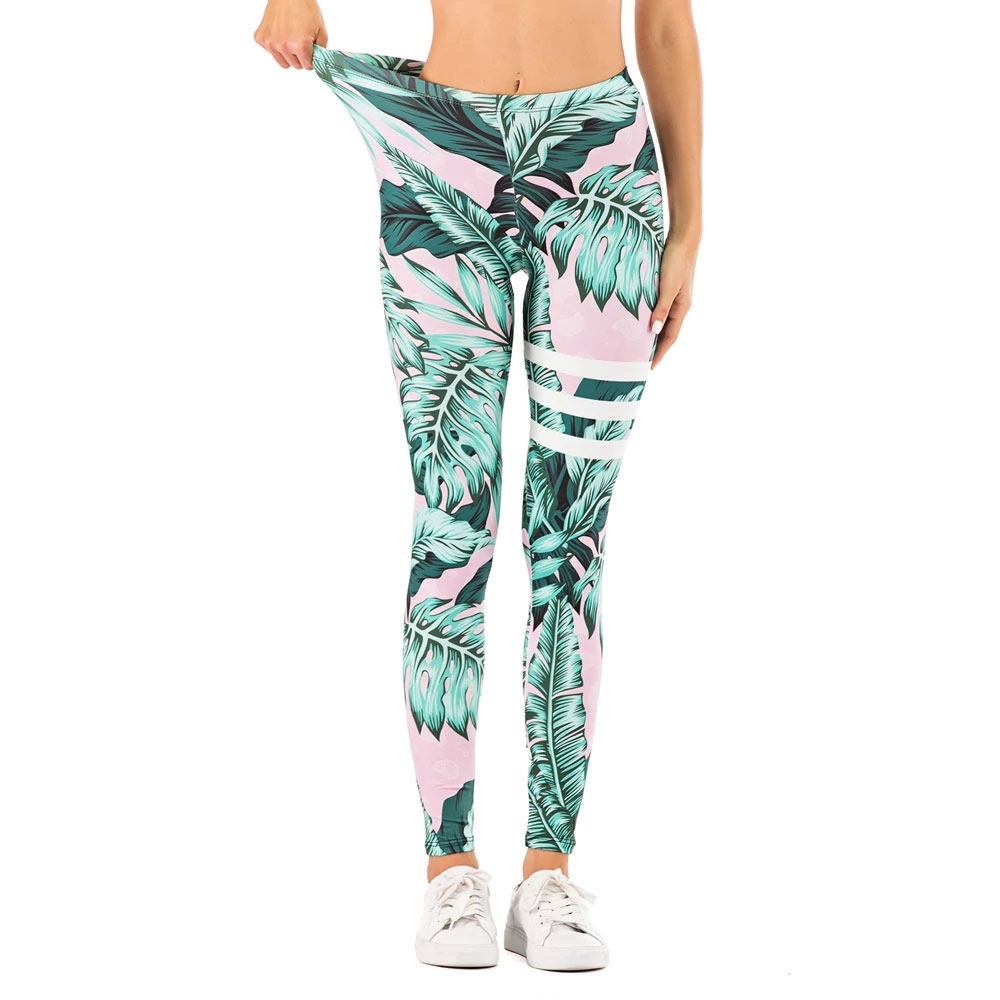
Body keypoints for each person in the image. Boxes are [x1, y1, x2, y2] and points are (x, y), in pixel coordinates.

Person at [253, 0, 702, 972]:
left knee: (572, 537)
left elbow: (665, 23)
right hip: (438, 151)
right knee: (451, 527)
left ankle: (549, 871)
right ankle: (448, 868)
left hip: (602, 171)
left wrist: (689, 227)